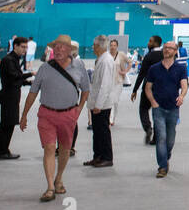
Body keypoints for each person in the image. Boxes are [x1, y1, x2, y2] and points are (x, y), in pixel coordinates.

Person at [18, 34, 89, 201]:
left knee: (64, 149)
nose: (58, 50)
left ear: (70, 50)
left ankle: (59, 178)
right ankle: (50, 186)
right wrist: (24, 115)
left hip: (68, 115)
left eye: (62, 47)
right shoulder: (45, 68)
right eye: (55, 47)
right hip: (47, 115)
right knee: (49, 149)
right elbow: (33, 92)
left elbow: (85, 90)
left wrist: (78, 109)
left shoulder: (79, 67)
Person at [145, 41, 189, 178]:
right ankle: (162, 167)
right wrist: (153, 102)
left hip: (173, 108)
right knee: (161, 138)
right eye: (165, 48)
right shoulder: (154, 68)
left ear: (176, 51)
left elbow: (184, 85)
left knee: (170, 139)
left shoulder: (181, 68)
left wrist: (181, 96)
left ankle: (166, 156)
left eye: (170, 48)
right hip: (158, 108)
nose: (167, 50)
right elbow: (147, 87)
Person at [84, 35, 121, 168]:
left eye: (94, 45)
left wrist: (98, 104)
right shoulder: (101, 59)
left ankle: (106, 157)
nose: (93, 48)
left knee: (103, 131)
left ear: (99, 46)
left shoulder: (106, 61)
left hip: (103, 104)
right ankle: (98, 156)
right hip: (97, 102)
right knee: (97, 132)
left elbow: (105, 85)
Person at [0, 36, 33, 159]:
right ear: (15, 46)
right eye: (22, 47)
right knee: (7, 124)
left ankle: (4, 149)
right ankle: (2, 151)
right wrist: (30, 74)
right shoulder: (8, 60)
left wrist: (30, 83)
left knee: (9, 124)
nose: (25, 50)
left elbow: (18, 78)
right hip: (8, 96)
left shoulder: (14, 59)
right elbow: (14, 76)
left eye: (26, 47)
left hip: (13, 96)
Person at [131, 36, 164, 145]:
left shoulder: (149, 56)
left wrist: (135, 90)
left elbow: (141, 74)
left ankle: (148, 128)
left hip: (148, 87)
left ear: (155, 43)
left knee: (143, 109)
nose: (148, 43)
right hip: (161, 89)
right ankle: (156, 137)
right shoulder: (165, 55)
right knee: (158, 112)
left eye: (150, 41)